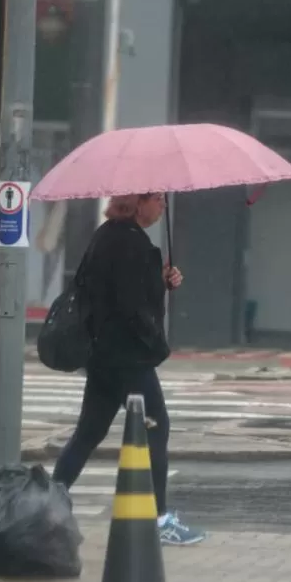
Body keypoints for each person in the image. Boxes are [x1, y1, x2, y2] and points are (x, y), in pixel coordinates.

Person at [51, 193, 206, 546]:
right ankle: (160, 519)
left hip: (101, 355)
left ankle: (49, 502)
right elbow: (133, 307)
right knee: (157, 427)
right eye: (158, 199)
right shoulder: (133, 245)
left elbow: (113, 292)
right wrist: (156, 343)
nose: (163, 205)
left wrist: (160, 281)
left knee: (88, 433)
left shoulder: (106, 234)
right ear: (137, 202)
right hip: (128, 358)